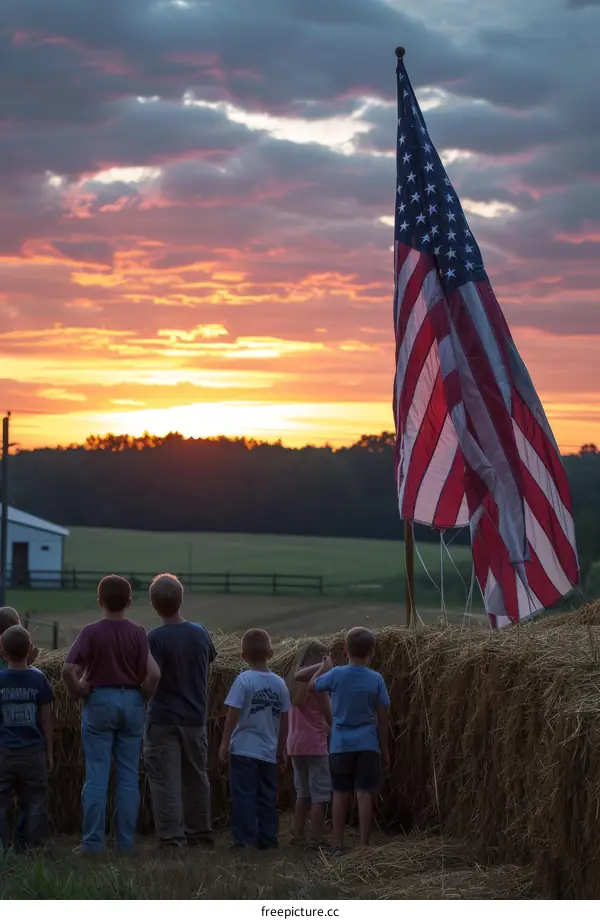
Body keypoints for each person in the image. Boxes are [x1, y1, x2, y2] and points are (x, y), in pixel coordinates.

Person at [61, 574, 160, 855]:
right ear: (129, 602)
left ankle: (93, 843)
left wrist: (79, 690)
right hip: (130, 700)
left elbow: (67, 669)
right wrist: (141, 695)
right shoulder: (138, 632)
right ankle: (125, 843)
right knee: (128, 776)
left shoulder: (90, 632)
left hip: (100, 701)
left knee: (97, 776)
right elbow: (154, 674)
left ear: (99, 601)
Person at [299, 626, 390, 857]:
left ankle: (337, 845)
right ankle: (364, 846)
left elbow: (310, 686)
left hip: (340, 746)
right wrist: (385, 749)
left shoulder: (336, 674)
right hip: (368, 744)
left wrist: (323, 667)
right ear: (372, 651)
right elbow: (382, 717)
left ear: (345, 650)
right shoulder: (376, 679)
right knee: (365, 794)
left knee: (340, 794)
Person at [143, 573, 217, 850]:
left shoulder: (155, 639)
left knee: (165, 781)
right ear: (181, 599)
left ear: (153, 605)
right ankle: (200, 833)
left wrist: (142, 698)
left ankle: (172, 838)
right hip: (194, 717)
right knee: (197, 777)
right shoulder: (200, 632)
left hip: (162, 717)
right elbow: (207, 667)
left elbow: (152, 676)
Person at [219, 628, 291, 850]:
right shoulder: (279, 684)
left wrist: (224, 743)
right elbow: (285, 720)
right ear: (271, 653)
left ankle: (244, 841)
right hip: (268, 752)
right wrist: (282, 748)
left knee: (243, 796)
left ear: (243, 657)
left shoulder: (243, 680)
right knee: (267, 797)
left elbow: (233, 714)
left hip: (243, 750)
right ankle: (268, 839)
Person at [0, 624, 53, 851]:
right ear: (31, 649)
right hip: (33, 752)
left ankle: (2, 847)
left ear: (2, 651)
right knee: (34, 802)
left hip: (4, 752)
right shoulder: (38, 679)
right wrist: (49, 750)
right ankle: (32, 847)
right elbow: (46, 720)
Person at [286, 640, 332, 847]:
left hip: (295, 745)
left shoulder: (292, 684)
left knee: (302, 793)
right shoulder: (318, 686)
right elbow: (329, 716)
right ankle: (317, 837)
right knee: (319, 794)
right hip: (315, 745)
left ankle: (297, 834)